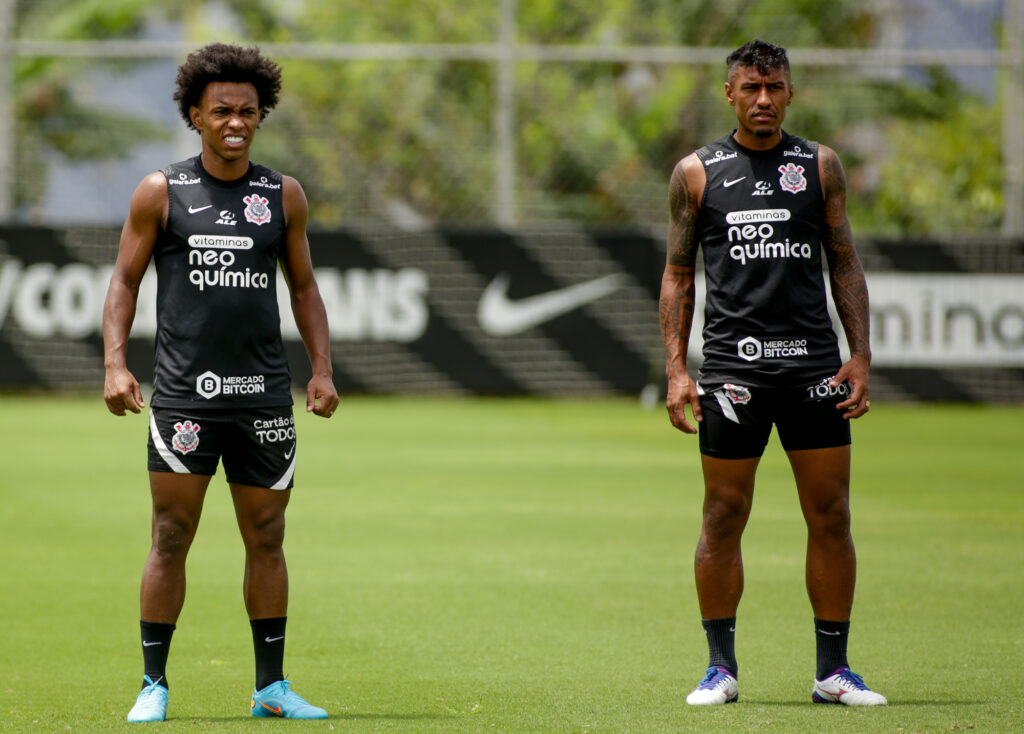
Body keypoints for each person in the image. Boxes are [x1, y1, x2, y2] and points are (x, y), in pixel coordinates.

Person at [103, 43, 338, 722]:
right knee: (171, 534)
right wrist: (116, 364)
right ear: (194, 116)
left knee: (267, 536)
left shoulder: (281, 194)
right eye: (221, 111)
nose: (235, 121)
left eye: (248, 111)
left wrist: (321, 371)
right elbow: (123, 281)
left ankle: (271, 688)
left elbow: (304, 286)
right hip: (183, 397)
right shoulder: (161, 191)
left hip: (263, 394)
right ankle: (153, 685)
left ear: (260, 116)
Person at [659, 39, 886, 707]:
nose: (764, 99)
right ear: (728, 94)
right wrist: (676, 370)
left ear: (790, 93)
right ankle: (719, 669)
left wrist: (861, 354)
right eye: (751, 89)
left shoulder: (819, 166)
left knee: (831, 513)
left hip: (814, 367)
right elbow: (677, 276)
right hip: (733, 372)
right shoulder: (696, 173)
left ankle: (833, 672)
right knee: (724, 513)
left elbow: (843, 261)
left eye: (775, 88)